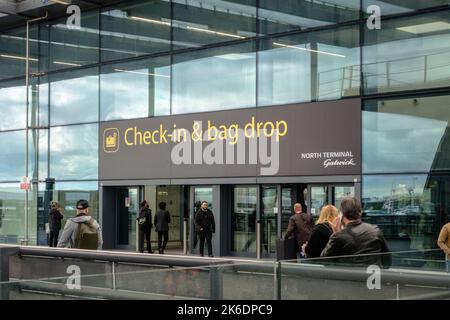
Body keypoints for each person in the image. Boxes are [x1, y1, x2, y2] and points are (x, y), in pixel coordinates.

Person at [321, 197, 391, 268]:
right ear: (360, 212)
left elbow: (324, 260)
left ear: (341, 214)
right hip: (373, 277)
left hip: (350, 277)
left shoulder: (338, 236)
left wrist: (335, 233)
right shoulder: (375, 230)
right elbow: (387, 260)